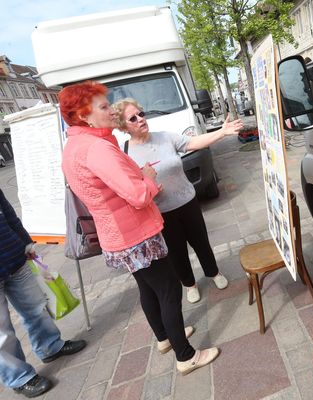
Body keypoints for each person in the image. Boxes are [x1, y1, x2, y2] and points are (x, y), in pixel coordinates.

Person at [59, 81, 218, 376]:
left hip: (117, 234)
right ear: (84, 115)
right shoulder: (96, 148)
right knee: (169, 289)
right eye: (103, 107)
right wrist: (146, 176)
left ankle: (164, 338)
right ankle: (186, 355)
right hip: (134, 233)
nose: (110, 111)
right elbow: (138, 195)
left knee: (147, 288)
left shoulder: (74, 147)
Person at [112, 98, 243, 303]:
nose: (140, 119)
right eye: (133, 118)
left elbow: (192, 143)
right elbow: (127, 186)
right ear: (123, 126)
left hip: (187, 202)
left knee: (201, 242)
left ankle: (213, 273)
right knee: (176, 252)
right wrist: (147, 184)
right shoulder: (125, 153)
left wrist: (221, 133)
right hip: (161, 212)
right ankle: (189, 284)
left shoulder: (164, 137)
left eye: (141, 114)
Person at [0, 188, 87, 398]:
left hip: (14, 256)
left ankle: (50, 346)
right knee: (2, 333)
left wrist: (25, 241)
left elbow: (8, 212)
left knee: (37, 308)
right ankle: (19, 377)